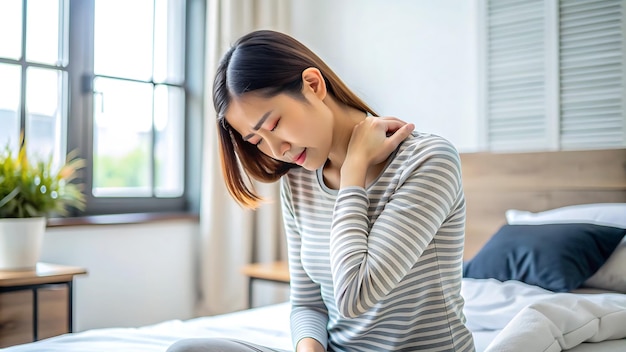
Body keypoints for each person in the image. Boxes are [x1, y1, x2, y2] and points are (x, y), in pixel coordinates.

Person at [168, 29, 475, 352]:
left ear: (313, 85)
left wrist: (352, 171)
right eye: (257, 141)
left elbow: (354, 295)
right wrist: (308, 348)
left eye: (272, 125)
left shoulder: (428, 161)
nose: (277, 150)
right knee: (187, 350)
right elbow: (307, 303)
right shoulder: (298, 181)